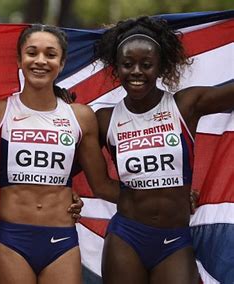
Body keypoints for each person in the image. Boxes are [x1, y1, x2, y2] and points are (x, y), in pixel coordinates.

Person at [94, 16, 234, 283]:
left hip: (174, 239)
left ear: (160, 67)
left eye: (146, 65)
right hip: (127, 237)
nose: (136, 71)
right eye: (127, 64)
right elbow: (96, 182)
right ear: (116, 67)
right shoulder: (104, 119)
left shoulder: (185, 105)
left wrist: (175, 194)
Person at [0, 24, 119, 284]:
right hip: (12, 238)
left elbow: (103, 185)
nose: (40, 61)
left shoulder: (80, 117)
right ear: (19, 59)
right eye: (32, 53)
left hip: (61, 239)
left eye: (50, 54)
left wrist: (167, 196)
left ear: (61, 63)